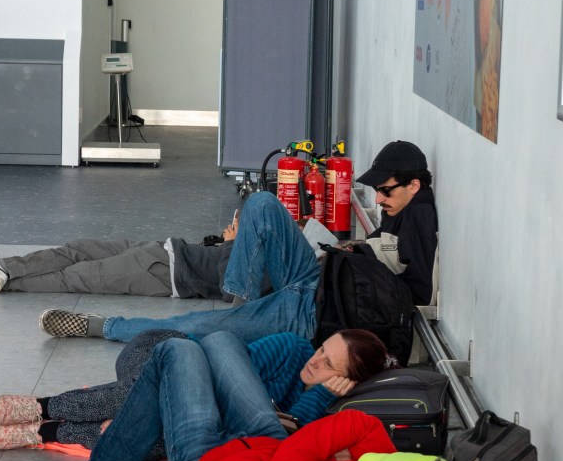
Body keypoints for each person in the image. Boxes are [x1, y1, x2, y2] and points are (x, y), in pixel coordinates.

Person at [49, 332, 450, 461]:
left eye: (329, 364)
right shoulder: (376, 452)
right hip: (266, 445)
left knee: (176, 352)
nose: (316, 360)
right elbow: (346, 427)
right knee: (220, 342)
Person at [37, 140, 439, 345]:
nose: (379, 199)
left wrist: (363, 254)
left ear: (414, 185)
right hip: (315, 276)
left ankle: (102, 327)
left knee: (195, 326)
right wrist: (352, 250)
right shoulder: (398, 211)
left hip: (313, 312)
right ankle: (241, 298)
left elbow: (414, 292)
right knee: (262, 203)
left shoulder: (419, 216)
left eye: (385, 191)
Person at [0, 327, 392, 451]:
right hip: (164, 352)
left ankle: (45, 433)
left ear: (345, 382)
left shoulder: (317, 404)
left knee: (157, 442)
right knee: (140, 402)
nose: (314, 361)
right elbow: (223, 376)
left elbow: (288, 443)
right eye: (322, 349)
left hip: (179, 413)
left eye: (328, 366)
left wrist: (322, 395)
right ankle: (43, 405)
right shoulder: (290, 349)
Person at [0, 218, 239, 299]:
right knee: (78, 248)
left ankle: (0, 280)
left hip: (165, 272)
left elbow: (233, 290)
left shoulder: (277, 279)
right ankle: (1, 267)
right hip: (164, 249)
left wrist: (231, 244)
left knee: (78, 275)